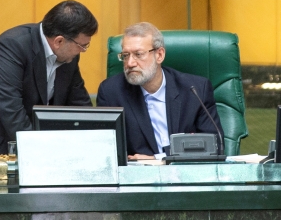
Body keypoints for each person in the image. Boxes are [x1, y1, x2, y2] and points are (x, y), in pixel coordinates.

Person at [0, 0, 98, 158]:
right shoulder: (12, 46)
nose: (83, 51)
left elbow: (79, 104)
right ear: (59, 41)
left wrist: (96, 141)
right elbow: (10, 108)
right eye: (82, 46)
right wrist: (41, 152)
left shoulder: (69, 57)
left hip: (24, 148)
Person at [96, 22, 223, 159]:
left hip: (186, 174)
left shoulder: (195, 90)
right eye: (125, 55)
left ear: (159, 55)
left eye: (138, 54)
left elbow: (215, 146)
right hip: (140, 175)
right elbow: (106, 151)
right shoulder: (111, 92)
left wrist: (159, 159)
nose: (130, 63)